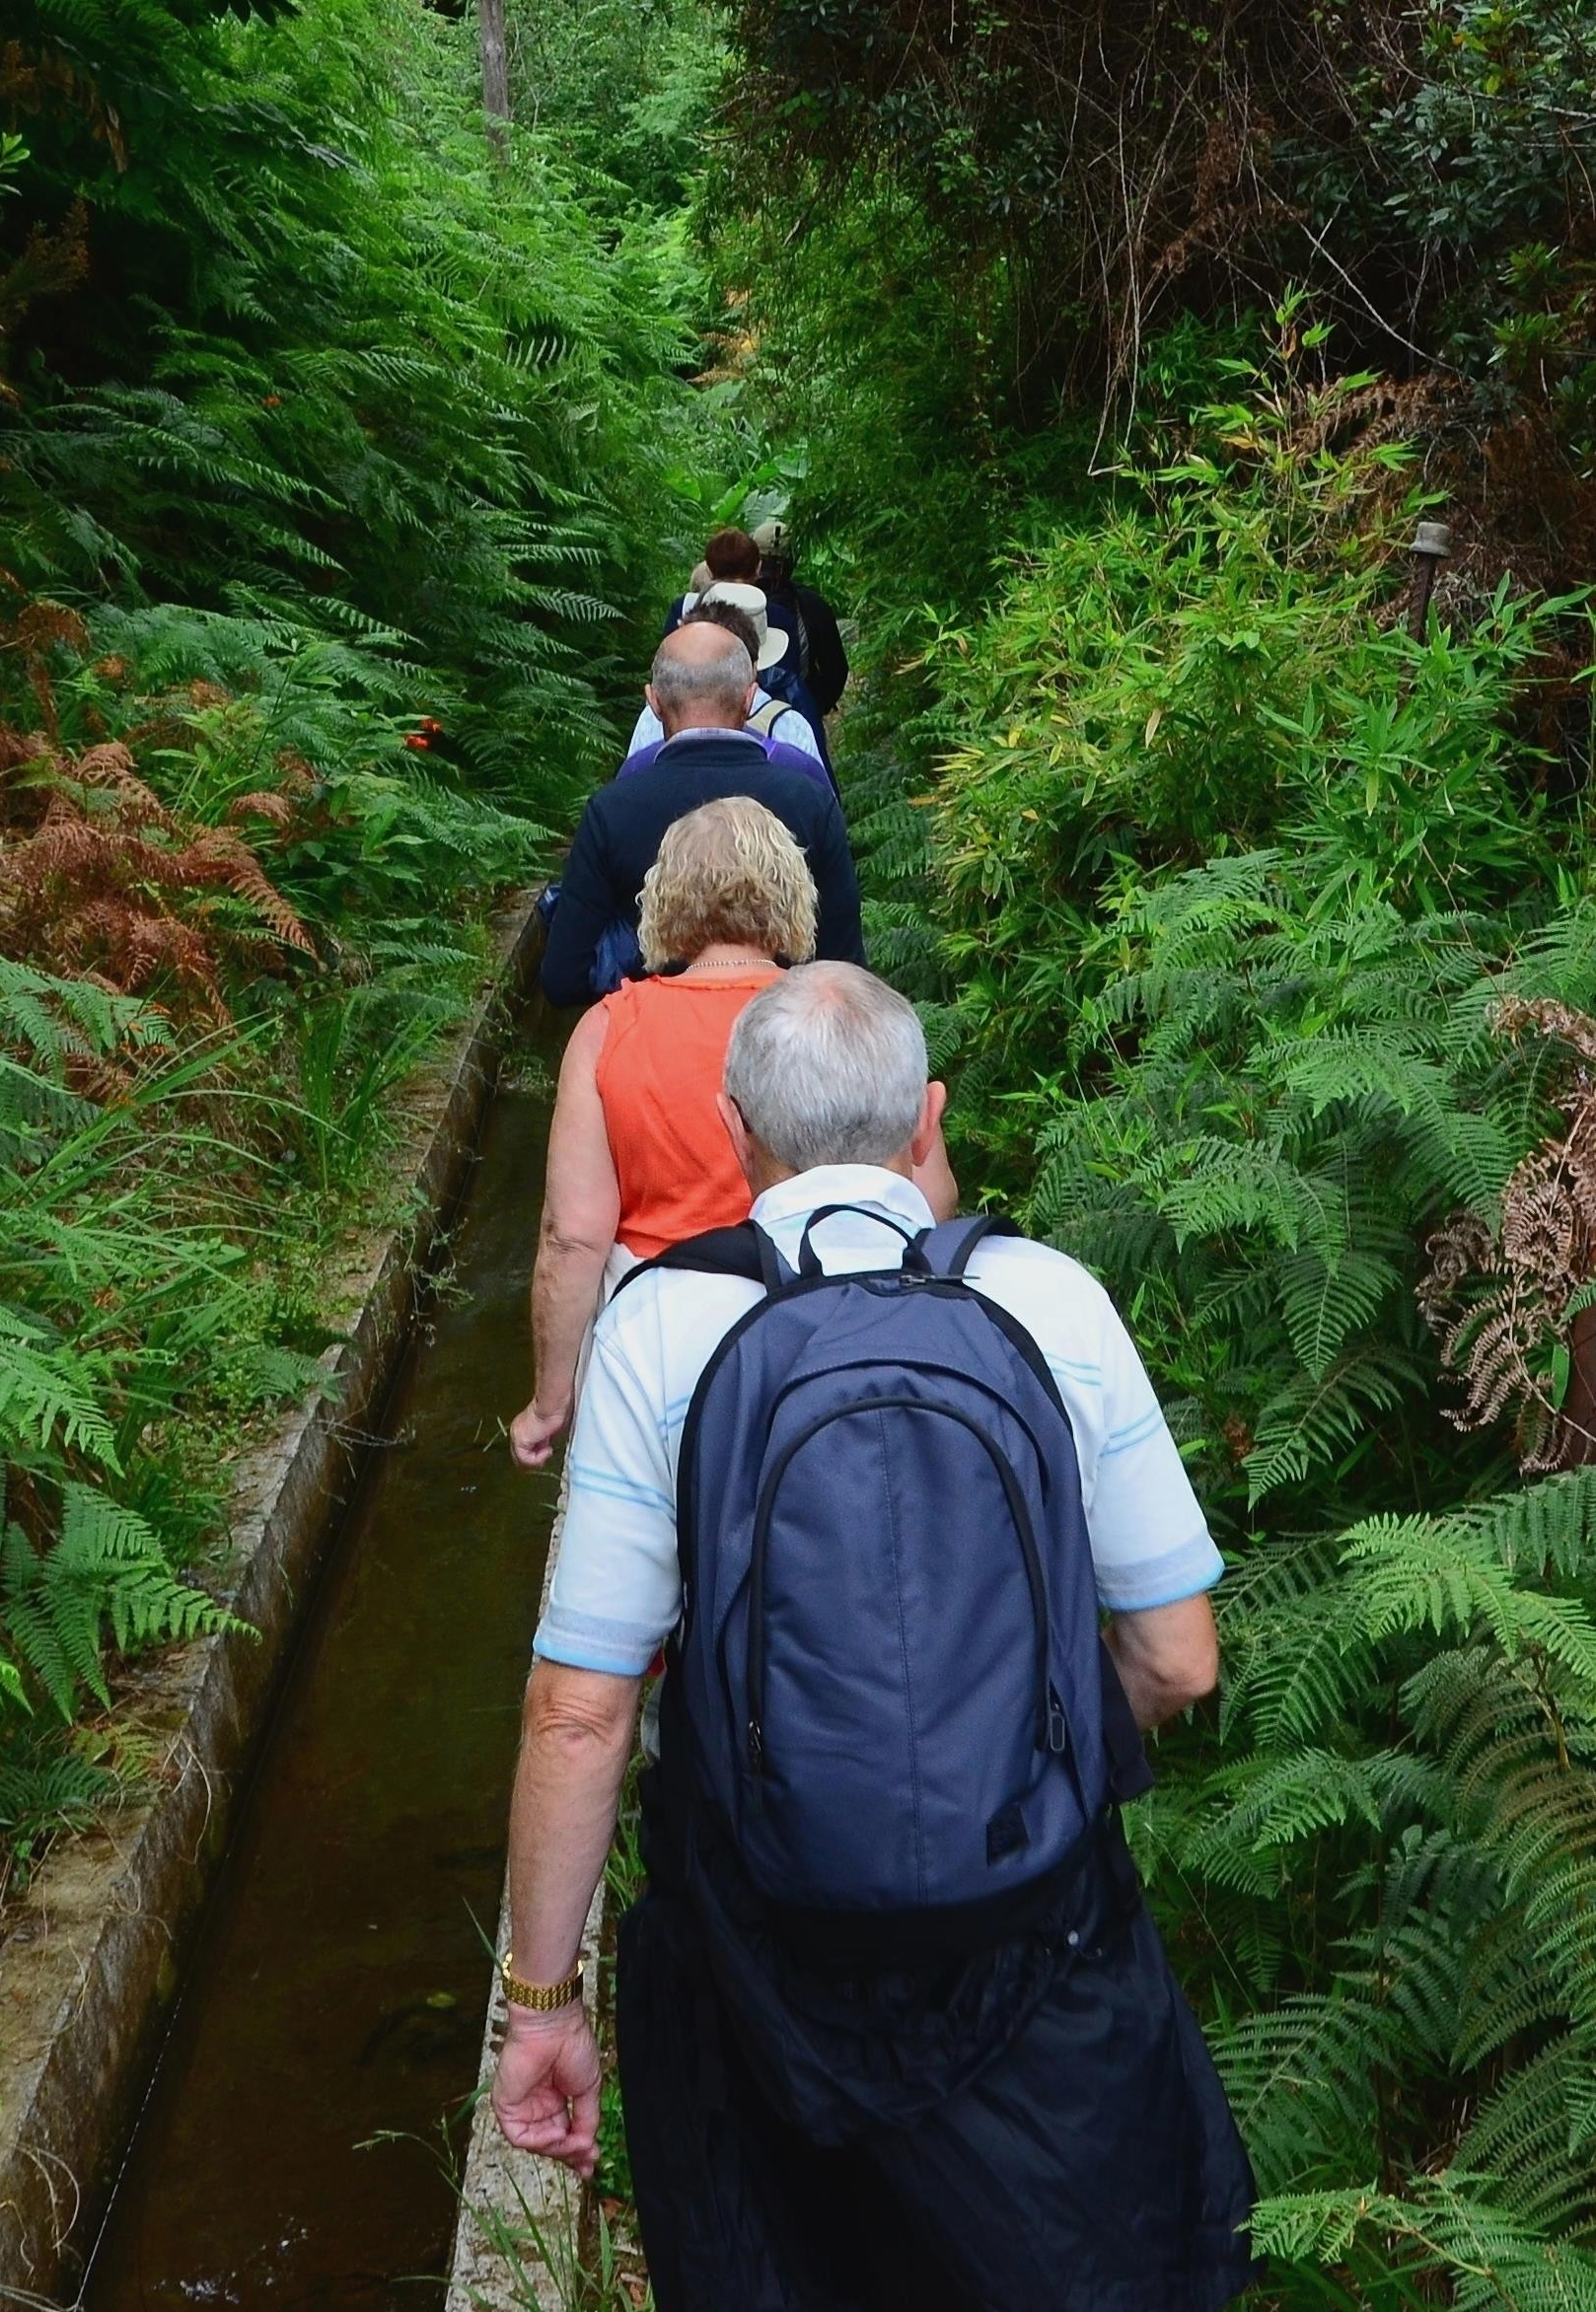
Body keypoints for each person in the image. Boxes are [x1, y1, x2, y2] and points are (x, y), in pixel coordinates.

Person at [490, 964, 1254, 2312]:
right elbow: (1177, 1656)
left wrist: (542, 2001)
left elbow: (578, 1711)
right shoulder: (1048, 1300)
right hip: (1037, 1953)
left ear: (733, 1130)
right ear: (926, 1116)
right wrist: (1025, 1764)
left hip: (756, 1973)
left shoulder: (660, 1325)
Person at [510, 800, 816, 1473]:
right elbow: (921, 1196)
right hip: (810, 1335)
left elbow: (572, 1236)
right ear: (791, 891)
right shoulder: (838, 1015)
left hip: (653, 1347)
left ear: (665, 900)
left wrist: (548, 1403)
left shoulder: (608, 1028)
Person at [539, 624, 861, 1009]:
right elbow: (845, 969)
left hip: (656, 1040)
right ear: (750, 696)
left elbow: (564, 977)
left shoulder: (612, 810)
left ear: (654, 701)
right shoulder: (809, 801)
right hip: (782, 1038)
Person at [636, 588, 826, 765]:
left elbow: (634, 777)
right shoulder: (791, 726)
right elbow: (820, 794)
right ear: (754, 667)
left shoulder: (652, 719)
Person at [756, 520, 847, 722]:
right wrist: (812, 706)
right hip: (798, 713)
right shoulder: (814, 606)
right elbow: (836, 670)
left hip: (742, 716)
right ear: (792, 562)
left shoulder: (731, 602)